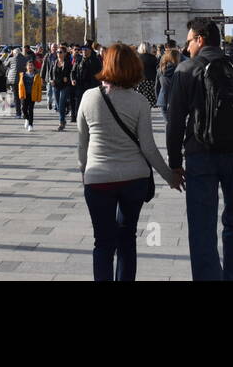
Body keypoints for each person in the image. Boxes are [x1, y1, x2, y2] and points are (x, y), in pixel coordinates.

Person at [77, 42, 181, 281]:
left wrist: (85, 172)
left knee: (102, 242)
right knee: (127, 239)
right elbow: (148, 147)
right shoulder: (139, 102)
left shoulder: (88, 97)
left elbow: (82, 144)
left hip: (98, 178)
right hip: (134, 179)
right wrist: (171, 177)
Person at [166, 18, 233, 280]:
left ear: (200, 40)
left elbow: (174, 123)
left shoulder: (186, 70)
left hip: (200, 155)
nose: (187, 47)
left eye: (189, 41)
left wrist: (174, 163)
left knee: (202, 228)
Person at [51, 49, 74, 130]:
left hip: (65, 86)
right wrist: (51, 80)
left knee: (61, 104)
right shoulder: (54, 62)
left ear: (64, 53)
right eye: (57, 52)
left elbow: (72, 72)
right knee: (58, 105)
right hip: (56, 85)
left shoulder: (68, 63)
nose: (59, 54)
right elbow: (50, 73)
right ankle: (65, 110)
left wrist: (67, 78)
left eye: (60, 52)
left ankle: (61, 122)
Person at [157, 46, 180, 123]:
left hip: (163, 98)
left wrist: (158, 98)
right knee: (176, 122)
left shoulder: (160, 70)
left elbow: (157, 86)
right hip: (176, 98)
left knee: (167, 123)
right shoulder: (179, 69)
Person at [18, 59, 42, 131]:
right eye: (29, 65)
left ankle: (30, 125)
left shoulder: (36, 76)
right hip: (24, 95)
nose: (30, 67)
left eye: (31, 65)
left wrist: (38, 96)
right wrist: (20, 94)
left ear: (34, 67)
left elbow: (38, 87)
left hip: (32, 95)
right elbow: (20, 86)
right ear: (26, 67)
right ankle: (27, 119)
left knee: (30, 109)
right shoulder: (22, 75)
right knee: (23, 109)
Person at [135, 42, 158, 109]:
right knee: (150, 99)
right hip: (151, 81)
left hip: (140, 81)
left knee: (140, 99)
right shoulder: (153, 58)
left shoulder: (137, 58)